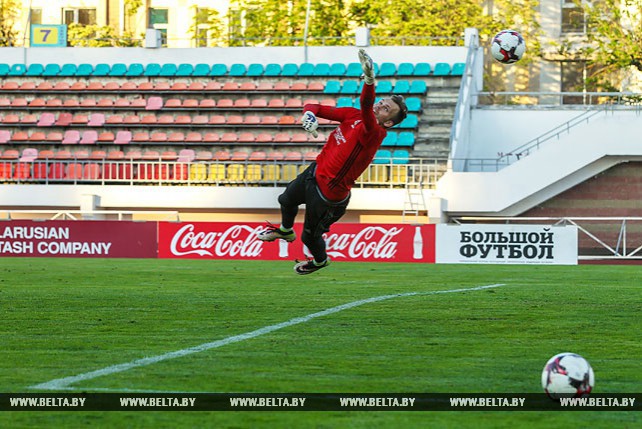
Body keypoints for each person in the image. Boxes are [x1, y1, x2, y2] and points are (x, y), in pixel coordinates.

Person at [257, 49, 408, 275]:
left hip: (331, 193)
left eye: (386, 108)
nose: (380, 105)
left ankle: (320, 261)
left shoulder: (375, 132)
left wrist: (369, 80)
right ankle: (286, 231)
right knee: (286, 200)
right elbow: (315, 106)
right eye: (382, 102)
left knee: (310, 236)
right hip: (316, 172)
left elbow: (366, 104)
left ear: (388, 123)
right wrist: (308, 115)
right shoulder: (353, 115)